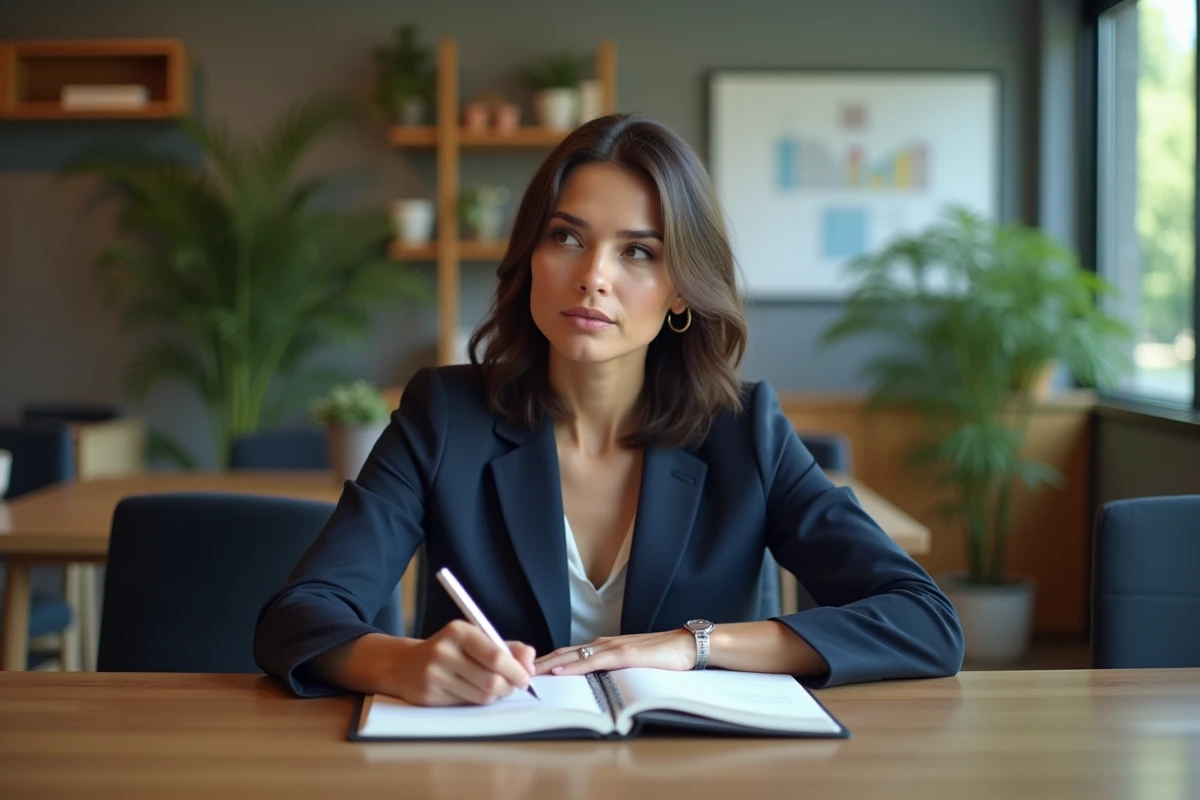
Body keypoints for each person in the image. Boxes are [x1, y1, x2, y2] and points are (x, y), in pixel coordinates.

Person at [253, 113, 964, 705]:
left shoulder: (746, 431)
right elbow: (296, 619)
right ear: (531, 254)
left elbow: (924, 621)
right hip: (489, 772)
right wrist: (400, 664)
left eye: (638, 253)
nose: (593, 277)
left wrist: (694, 646)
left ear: (682, 289)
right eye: (567, 237)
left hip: (696, 774)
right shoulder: (445, 416)